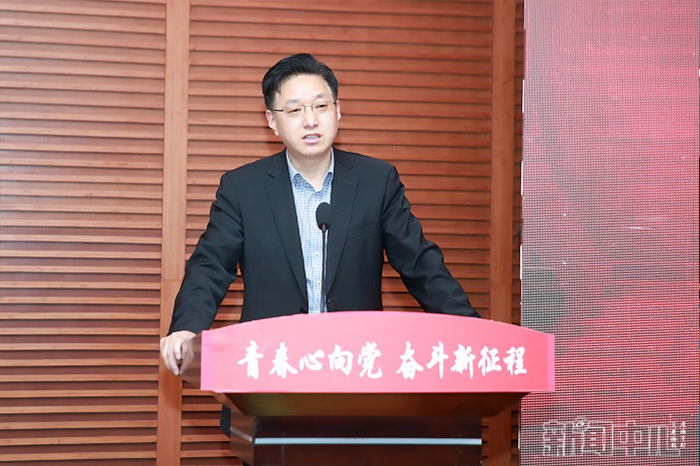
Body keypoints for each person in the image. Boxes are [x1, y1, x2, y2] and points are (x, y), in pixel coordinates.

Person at [160, 54, 480, 427]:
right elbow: (210, 266)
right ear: (272, 121)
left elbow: (421, 264)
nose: (310, 120)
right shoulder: (242, 189)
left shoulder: (376, 182)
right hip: (270, 380)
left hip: (357, 378)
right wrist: (187, 327)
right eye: (294, 110)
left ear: (338, 111)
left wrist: (471, 331)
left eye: (320, 106)